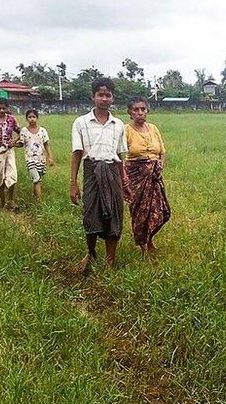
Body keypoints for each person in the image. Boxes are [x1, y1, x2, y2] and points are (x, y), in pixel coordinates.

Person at [70, 77, 127, 270]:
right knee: (91, 213)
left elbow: (119, 154)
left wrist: (124, 179)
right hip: (91, 171)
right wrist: (73, 182)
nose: (104, 98)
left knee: (115, 214)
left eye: (108, 95)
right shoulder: (81, 122)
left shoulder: (118, 124)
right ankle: (91, 253)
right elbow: (77, 153)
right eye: (100, 95)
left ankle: (110, 260)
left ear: (112, 98)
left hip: (112, 171)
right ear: (93, 97)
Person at [123, 98, 171, 256]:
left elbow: (162, 152)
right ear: (130, 112)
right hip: (135, 175)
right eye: (136, 109)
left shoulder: (153, 128)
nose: (140, 112)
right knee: (139, 211)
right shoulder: (126, 130)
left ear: (147, 111)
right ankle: (142, 244)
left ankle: (149, 238)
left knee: (160, 210)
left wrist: (159, 166)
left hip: (154, 176)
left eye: (143, 109)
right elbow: (120, 154)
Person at [19, 109, 52, 201]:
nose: (32, 119)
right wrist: (13, 144)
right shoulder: (24, 131)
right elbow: (21, 143)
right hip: (30, 158)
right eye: (29, 117)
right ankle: (39, 201)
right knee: (36, 179)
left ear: (37, 118)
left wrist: (50, 157)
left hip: (41, 158)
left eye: (33, 117)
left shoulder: (42, 131)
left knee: (37, 179)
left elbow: (46, 144)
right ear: (26, 119)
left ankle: (35, 197)